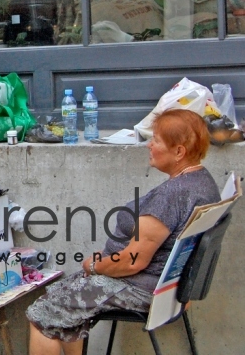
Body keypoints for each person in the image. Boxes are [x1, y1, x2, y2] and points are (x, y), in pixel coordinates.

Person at [26, 109, 220, 355]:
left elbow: (132, 262)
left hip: (143, 288)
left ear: (179, 151)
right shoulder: (203, 182)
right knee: (61, 296)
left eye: (156, 140)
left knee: (42, 314)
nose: (150, 145)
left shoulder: (172, 196)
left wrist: (96, 266)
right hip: (164, 286)